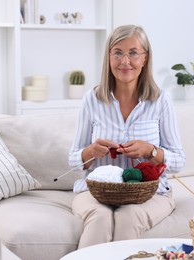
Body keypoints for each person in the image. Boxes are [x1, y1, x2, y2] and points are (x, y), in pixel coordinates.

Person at [68, 24, 185, 249]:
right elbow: (73, 160)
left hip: (151, 193)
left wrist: (150, 150)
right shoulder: (91, 100)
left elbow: (179, 161)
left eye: (133, 53)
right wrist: (91, 151)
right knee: (100, 219)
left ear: (145, 58)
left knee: (128, 217)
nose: (125, 61)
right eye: (118, 53)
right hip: (97, 191)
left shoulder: (161, 100)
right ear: (108, 57)